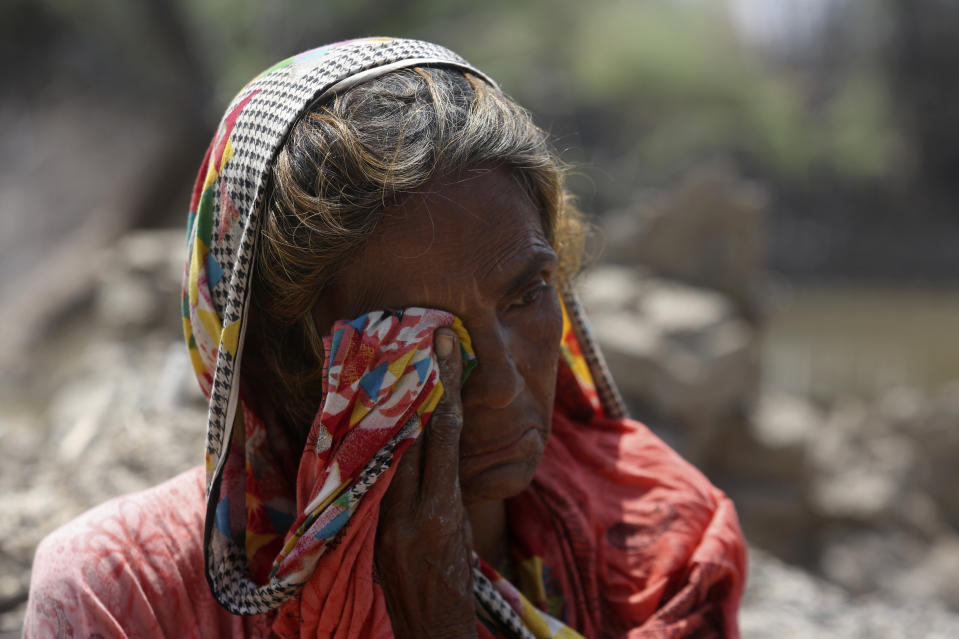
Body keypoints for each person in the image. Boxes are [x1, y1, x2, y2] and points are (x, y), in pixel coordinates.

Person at [24, 38, 746, 638]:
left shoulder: (658, 544)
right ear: (279, 359)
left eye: (526, 295)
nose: (498, 383)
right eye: (417, 338)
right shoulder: (126, 596)